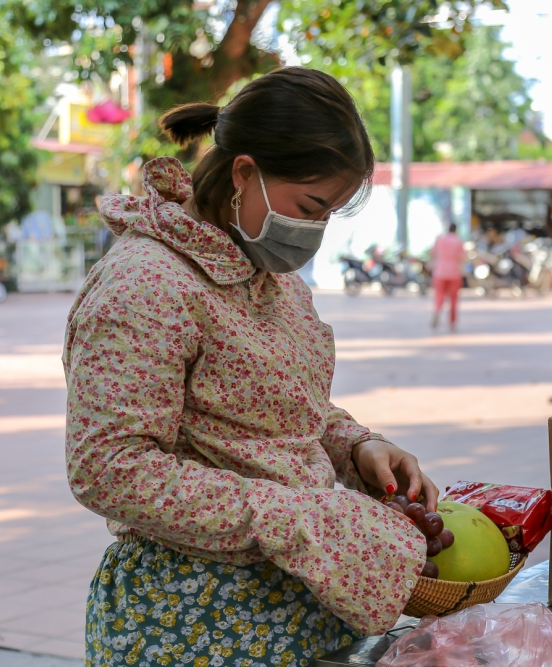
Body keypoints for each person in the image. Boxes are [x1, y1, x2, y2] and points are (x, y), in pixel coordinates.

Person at [63, 68, 441, 667]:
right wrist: (292, 515)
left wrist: (354, 446)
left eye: (330, 216)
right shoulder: (145, 283)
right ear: (244, 173)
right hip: (188, 621)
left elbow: (277, 405)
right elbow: (108, 466)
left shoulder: (274, 280)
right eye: (311, 206)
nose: (314, 232)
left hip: (305, 614)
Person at [430, 222, 465, 331]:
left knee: (439, 296)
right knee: (453, 299)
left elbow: (432, 253)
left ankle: (437, 310)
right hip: (454, 272)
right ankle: (452, 322)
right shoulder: (458, 240)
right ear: (455, 230)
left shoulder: (440, 239)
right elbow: (463, 256)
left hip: (440, 271)